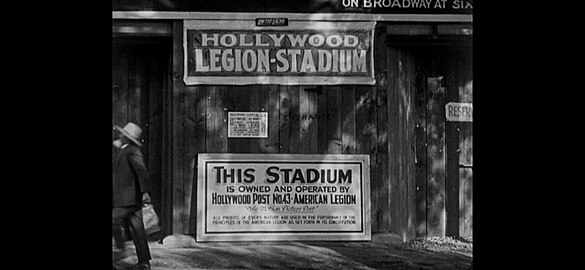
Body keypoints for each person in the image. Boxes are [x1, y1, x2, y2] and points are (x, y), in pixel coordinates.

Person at [112, 122, 152, 270]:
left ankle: (122, 248)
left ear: (128, 138)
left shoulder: (132, 150)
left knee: (114, 222)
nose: (120, 135)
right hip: (128, 198)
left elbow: (141, 171)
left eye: (123, 134)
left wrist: (145, 192)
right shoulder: (122, 149)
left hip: (126, 199)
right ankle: (144, 262)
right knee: (138, 230)